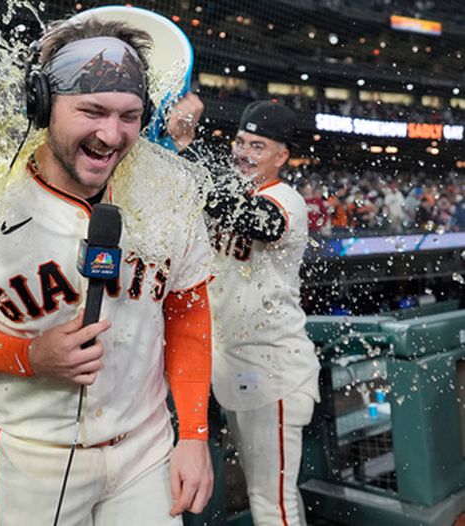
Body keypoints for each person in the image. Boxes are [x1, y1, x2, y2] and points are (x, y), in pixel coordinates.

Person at [0, 17, 215, 525]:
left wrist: (194, 434)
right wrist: (28, 354)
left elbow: (188, 314)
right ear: (42, 104)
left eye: (129, 115)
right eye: (91, 111)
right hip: (39, 459)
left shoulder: (170, 189)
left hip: (148, 451)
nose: (111, 135)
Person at [169, 97, 320, 526]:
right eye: (239, 141)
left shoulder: (286, 199)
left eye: (257, 146)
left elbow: (260, 222)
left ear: (282, 156)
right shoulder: (233, 191)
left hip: (273, 370)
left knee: (271, 500)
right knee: (263, 495)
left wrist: (187, 149)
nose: (242, 152)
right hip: (233, 368)